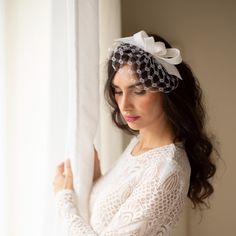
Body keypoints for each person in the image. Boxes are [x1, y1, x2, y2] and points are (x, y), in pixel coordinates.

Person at [53, 30, 217, 235]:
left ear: (166, 90)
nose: (124, 105)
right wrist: (96, 180)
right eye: (118, 91)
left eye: (138, 91)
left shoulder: (167, 170)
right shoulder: (138, 143)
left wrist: (64, 199)